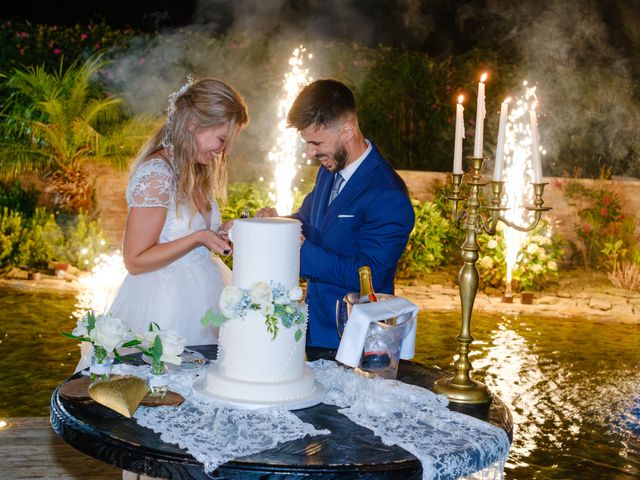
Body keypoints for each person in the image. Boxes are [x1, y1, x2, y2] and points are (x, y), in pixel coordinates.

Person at [257, 79, 414, 348]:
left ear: (347, 131)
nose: (309, 152)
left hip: (357, 341)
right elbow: (309, 221)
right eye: (307, 143)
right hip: (315, 330)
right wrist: (276, 223)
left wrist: (299, 249)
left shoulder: (388, 194)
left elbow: (371, 276)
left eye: (316, 142)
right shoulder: (328, 171)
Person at [107, 77, 249, 347]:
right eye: (221, 139)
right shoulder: (157, 175)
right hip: (164, 307)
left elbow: (191, 234)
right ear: (194, 125)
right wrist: (198, 238)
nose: (224, 151)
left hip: (205, 295)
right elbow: (135, 260)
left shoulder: (196, 171)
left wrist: (219, 234)